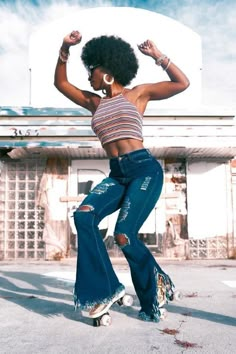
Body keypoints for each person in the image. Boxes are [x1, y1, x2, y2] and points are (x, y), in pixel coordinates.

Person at [54, 30, 189, 322]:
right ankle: (105, 290)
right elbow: (61, 83)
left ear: (108, 70)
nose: (89, 76)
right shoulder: (94, 103)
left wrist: (158, 56)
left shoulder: (137, 94)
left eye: (92, 70)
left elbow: (182, 83)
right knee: (84, 216)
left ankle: (154, 291)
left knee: (124, 234)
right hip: (117, 174)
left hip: (143, 169)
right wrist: (65, 48)